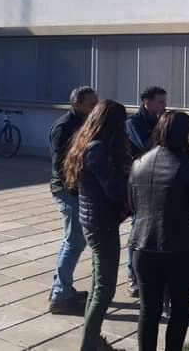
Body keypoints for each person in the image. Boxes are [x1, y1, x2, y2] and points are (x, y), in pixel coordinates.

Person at [129, 111, 189, 351]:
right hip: (180, 247)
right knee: (180, 309)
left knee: (148, 310)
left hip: (143, 245)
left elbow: (132, 204)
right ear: (185, 134)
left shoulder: (138, 162)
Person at [64, 99, 131, 351]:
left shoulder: (87, 143)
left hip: (94, 221)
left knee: (97, 284)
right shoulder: (98, 149)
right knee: (105, 288)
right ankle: (89, 344)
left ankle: (91, 340)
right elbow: (113, 189)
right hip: (101, 224)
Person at [48, 86, 99, 315]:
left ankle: (60, 288)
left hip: (77, 190)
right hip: (68, 191)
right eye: (91, 103)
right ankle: (60, 296)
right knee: (75, 240)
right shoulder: (64, 126)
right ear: (76, 103)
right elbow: (61, 166)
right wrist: (76, 188)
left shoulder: (85, 123)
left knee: (72, 240)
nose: (95, 107)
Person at [125, 86, 167, 297]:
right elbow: (147, 147)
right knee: (139, 227)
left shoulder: (160, 121)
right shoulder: (134, 123)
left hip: (160, 180)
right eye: (160, 102)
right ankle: (133, 275)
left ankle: (156, 272)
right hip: (140, 182)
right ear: (146, 102)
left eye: (164, 102)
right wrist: (163, 129)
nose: (164, 106)